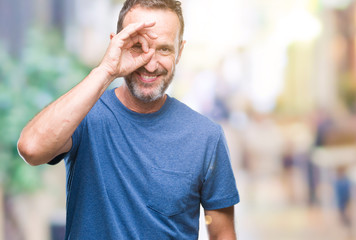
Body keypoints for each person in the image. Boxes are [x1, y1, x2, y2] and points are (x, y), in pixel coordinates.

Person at [17, 0, 240, 239]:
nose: (151, 64)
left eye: (164, 49)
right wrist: (106, 70)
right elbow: (31, 148)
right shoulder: (84, 116)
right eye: (137, 46)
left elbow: (222, 235)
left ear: (180, 51)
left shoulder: (205, 136)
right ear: (117, 44)